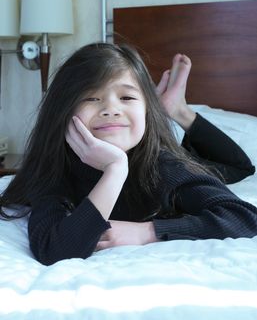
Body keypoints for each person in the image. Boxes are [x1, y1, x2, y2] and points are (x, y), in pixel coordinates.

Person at [0, 43, 257, 266]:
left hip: (164, 156)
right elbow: (55, 250)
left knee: (238, 168)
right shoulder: (55, 170)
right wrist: (115, 170)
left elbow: (246, 217)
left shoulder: (163, 165)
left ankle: (178, 110)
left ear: (147, 109)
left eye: (126, 97)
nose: (111, 109)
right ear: (63, 111)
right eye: (91, 98)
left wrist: (149, 232)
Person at [156, 53, 255, 184]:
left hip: (154, 157)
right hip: (156, 165)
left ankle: (178, 111)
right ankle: (180, 112)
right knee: (242, 168)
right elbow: (242, 168)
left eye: (127, 98)